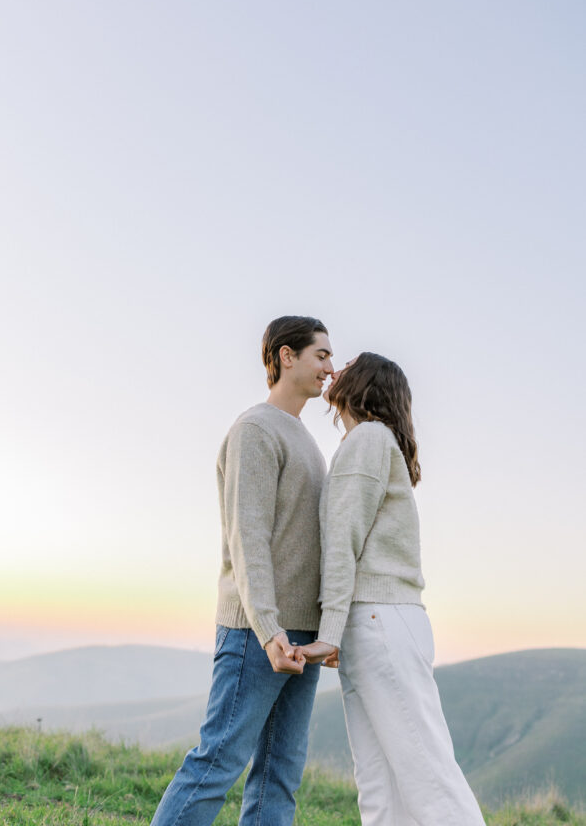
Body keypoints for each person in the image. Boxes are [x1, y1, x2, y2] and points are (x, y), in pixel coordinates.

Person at [150, 315, 335, 826]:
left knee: (280, 773)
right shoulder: (255, 429)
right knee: (217, 764)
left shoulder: (305, 440)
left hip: (301, 632)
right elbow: (247, 538)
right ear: (285, 356)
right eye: (321, 354)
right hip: (259, 630)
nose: (330, 367)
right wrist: (268, 627)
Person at [296, 352, 486, 826]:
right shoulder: (378, 444)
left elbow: (343, 542)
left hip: (379, 619)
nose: (334, 368)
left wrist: (331, 630)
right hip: (382, 622)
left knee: (429, 779)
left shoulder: (366, 440)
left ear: (361, 383)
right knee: (381, 789)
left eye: (348, 364)